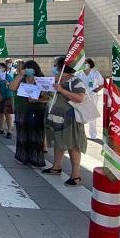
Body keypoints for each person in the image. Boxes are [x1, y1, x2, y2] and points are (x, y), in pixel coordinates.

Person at [43, 56, 87, 186]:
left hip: (69, 119)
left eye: (56, 65)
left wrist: (61, 90)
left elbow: (80, 98)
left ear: (63, 67)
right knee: (58, 142)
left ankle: (76, 175)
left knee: (73, 145)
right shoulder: (57, 79)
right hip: (56, 118)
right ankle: (56, 166)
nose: (54, 68)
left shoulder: (75, 81)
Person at [9, 60, 48, 167]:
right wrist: (19, 76)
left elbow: (47, 97)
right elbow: (12, 87)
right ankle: (22, 157)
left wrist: (37, 100)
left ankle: (35, 158)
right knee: (22, 134)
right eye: (27, 68)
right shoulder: (21, 78)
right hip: (22, 110)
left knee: (35, 135)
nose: (28, 70)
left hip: (37, 110)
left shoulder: (41, 80)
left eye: (30, 68)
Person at [76, 57, 104, 140]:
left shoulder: (95, 73)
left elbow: (102, 83)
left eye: (85, 63)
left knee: (92, 116)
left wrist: (96, 90)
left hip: (92, 96)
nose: (84, 65)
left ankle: (93, 134)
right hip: (81, 96)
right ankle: (81, 134)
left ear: (90, 64)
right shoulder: (78, 74)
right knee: (80, 115)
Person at [0, 62, 14, 139]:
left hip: (7, 97)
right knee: (0, 113)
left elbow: (12, 87)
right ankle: (1, 128)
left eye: (0, 67)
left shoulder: (8, 76)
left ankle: (9, 131)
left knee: (8, 114)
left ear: (4, 69)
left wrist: (7, 83)